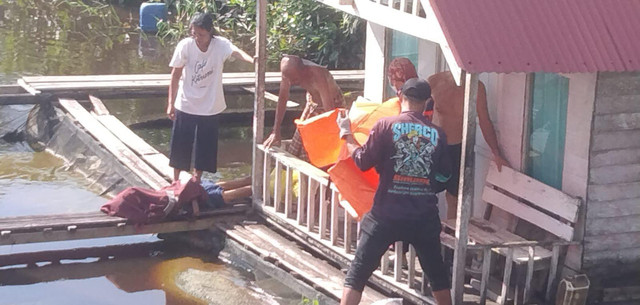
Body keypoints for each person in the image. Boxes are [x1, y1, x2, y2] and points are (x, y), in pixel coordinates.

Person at [336, 78, 452, 305]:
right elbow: (444, 177)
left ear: (400, 97)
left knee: (357, 275)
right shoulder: (438, 134)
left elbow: (361, 161)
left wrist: (346, 134)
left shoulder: (384, 125)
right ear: (428, 102)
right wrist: (423, 184)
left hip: (385, 215)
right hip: (423, 216)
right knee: (438, 277)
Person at [166, 12, 255, 182]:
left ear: (210, 32)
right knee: (180, 144)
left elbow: (236, 52)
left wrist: (253, 61)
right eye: (194, 33)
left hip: (210, 104)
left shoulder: (220, 45)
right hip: (186, 103)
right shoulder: (185, 46)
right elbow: (175, 75)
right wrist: (170, 103)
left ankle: (197, 179)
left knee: (205, 146)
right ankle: (176, 179)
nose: (197, 37)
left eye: (201, 34)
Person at [427, 71, 509, 220]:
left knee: (455, 199)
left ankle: (450, 238)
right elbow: (419, 111)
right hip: (435, 148)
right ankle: (425, 238)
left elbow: (485, 121)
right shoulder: (436, 81)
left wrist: (495, 152)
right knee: (424, 194)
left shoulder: (476, 87)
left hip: (459, 149)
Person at [262, 55, 344, 159]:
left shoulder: (318, 74)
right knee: (295, 145)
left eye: (295, 80)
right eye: (290, 80)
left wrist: (333, 133)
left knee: (311, 149)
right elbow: (283, 99)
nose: (292, 83)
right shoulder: (288, 73)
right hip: (312, 103)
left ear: (304, 70)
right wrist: (275, 130)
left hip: (332, 105)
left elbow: (329, 109)